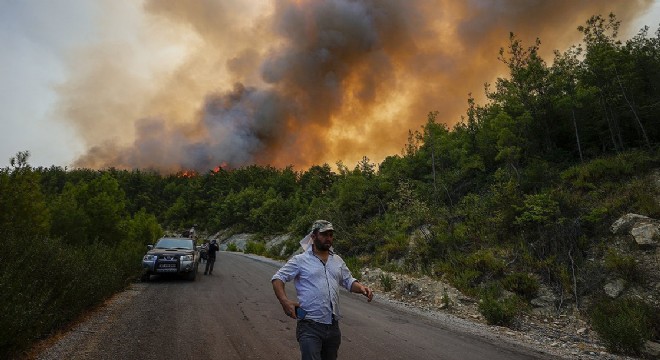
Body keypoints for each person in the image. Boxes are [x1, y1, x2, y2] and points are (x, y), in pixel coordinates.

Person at [271, 220, 373, 360]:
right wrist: (284, 301)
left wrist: (361, 288)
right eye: (324, 234)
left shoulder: (337, 260)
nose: (328, 238)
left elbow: (348, 281)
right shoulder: (300, 260)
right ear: (313, 236)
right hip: (309, 325)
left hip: (332, 327)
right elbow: (278, 278)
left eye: (331, 235)